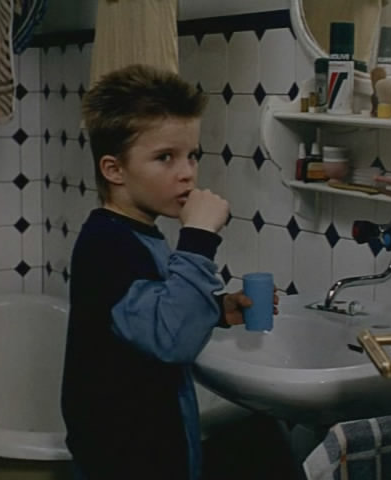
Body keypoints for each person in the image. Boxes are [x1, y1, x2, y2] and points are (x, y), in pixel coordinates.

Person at [61, 64, 272, 480]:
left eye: (192, 155)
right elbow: (171, 341)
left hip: (146, 449)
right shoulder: (106, 245)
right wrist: (198, 237)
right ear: (114, 170)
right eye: (165, 157)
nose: (187, 171)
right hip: (124, 461)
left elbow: (147, 317)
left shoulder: (133, 234)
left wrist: (216, 309)